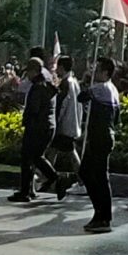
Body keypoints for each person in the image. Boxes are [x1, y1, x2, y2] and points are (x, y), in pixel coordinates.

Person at [80, 57, 122, 233]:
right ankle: (102, 214)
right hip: (104, 136)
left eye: (97, 70)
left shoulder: (102, 88)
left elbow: (80, 96)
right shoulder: (113, 89)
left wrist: (86, 79)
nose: (94, 72)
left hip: (100, 137)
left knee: (95, 176)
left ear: (105, 72)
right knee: (95, 175)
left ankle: (102, 216)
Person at [14, 57, 58, 203]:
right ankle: (27, 190)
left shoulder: (39, 87)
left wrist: (26, 120)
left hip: (37, 127)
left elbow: (34, 109)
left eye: (29, 72)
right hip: (46, 126)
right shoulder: (47, 84)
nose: (27, 75)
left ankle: (53, 177)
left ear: (34, 71)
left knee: (30, 157)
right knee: (33, 158)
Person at [48, 56, 84, 200]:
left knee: (68, 153)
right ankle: (48, 178)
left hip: (64, 125)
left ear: (62, 67)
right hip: (71, 124)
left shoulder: (66, 84)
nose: (56, 70)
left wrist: (56, 122)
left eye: (58, 67)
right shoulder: (74, 82)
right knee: (55, 151)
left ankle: (81, 181)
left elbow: (60, 106)